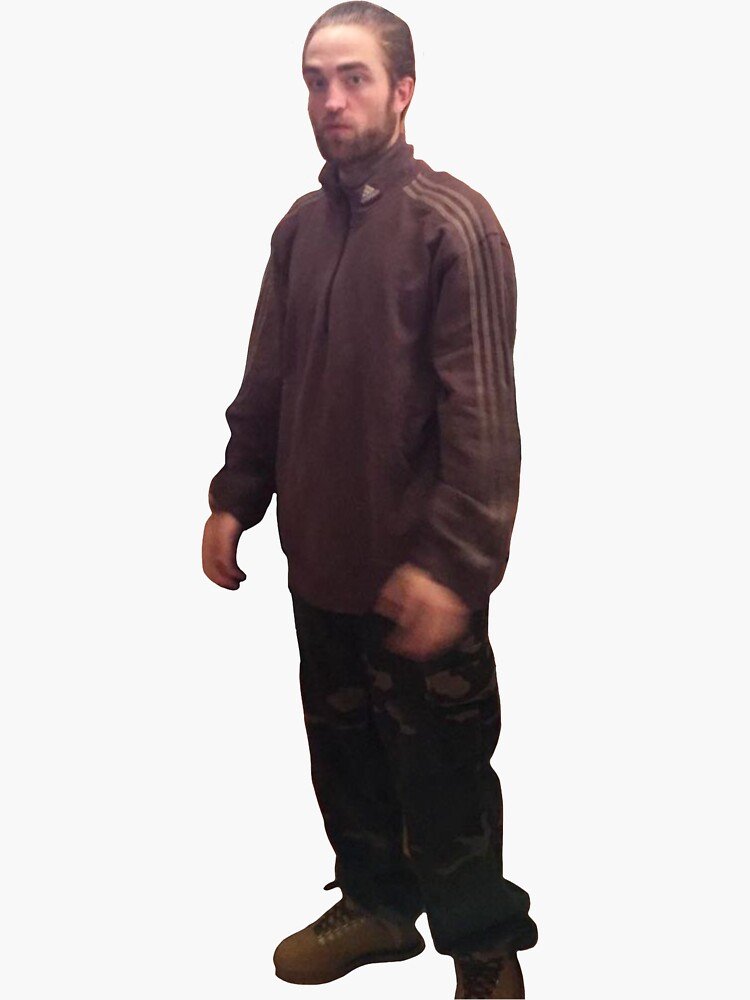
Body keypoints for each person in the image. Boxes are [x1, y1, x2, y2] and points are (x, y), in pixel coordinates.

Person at [202, 3, 538, 996]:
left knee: (446, 778)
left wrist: (454, 568)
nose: (331, 100)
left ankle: (484, 955)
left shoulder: (452, 225)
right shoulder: (299, 231)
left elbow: (483, 418)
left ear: (403, 91)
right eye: (316, 80)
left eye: (354, 78)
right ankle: (379, 908)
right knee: (344, 757)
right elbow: (268, 380)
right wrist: (236, 495)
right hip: (322, 567)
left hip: (418, 580)